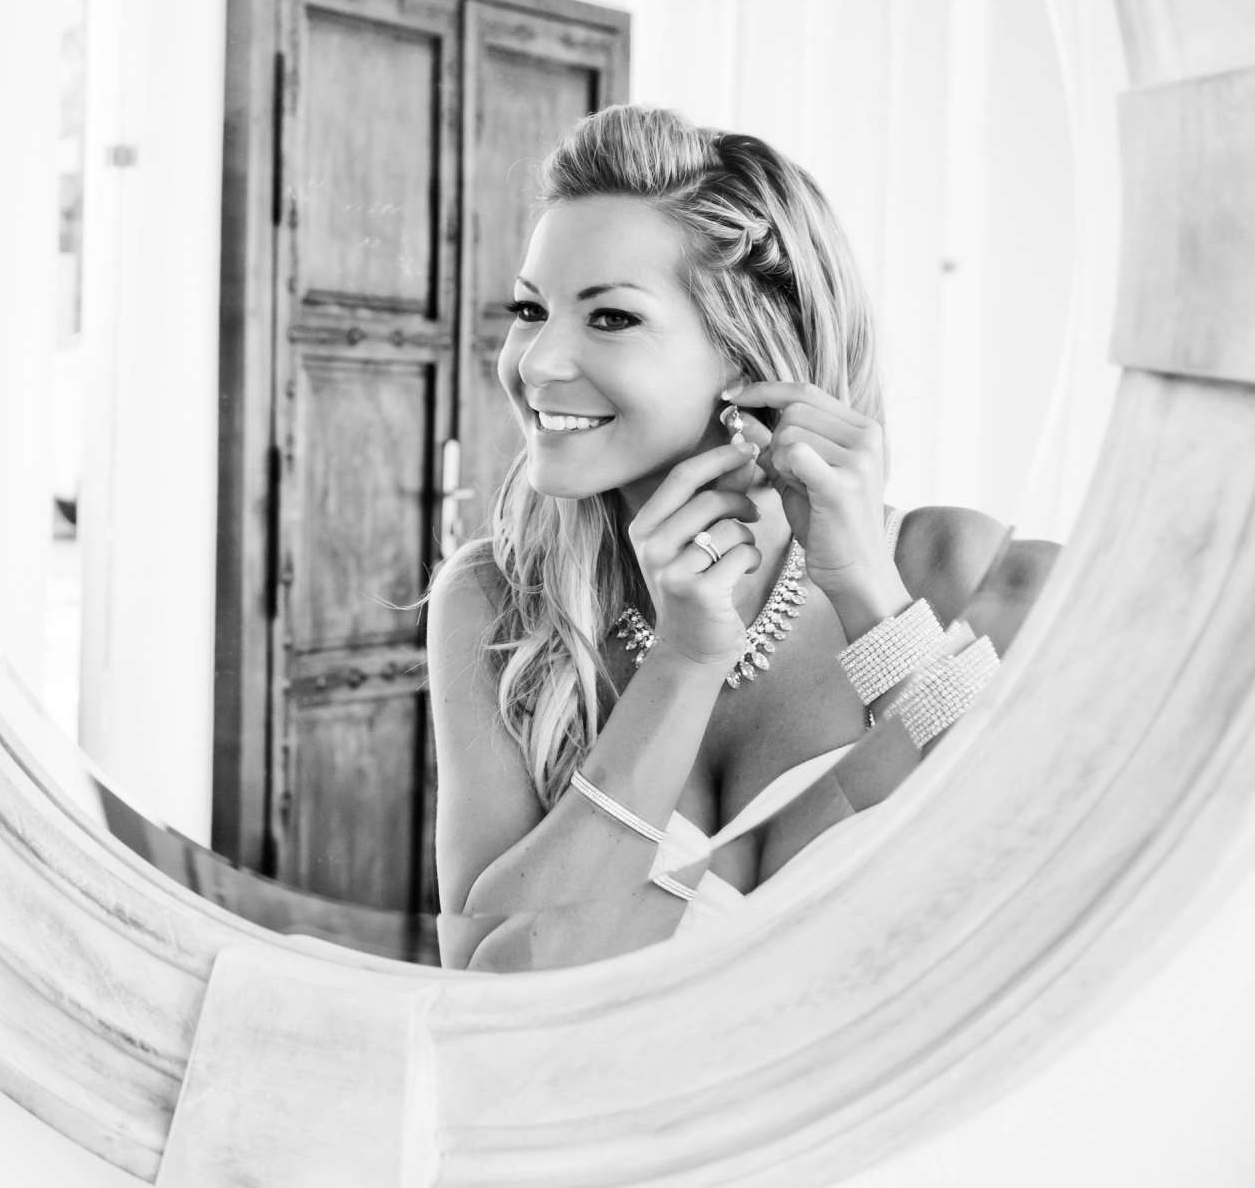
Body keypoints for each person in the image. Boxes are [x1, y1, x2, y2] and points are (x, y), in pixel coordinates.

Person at [426, 105, 1055, 972]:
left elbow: (1036, 903)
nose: (535, 362)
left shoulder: (965, 571)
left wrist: (870, 594)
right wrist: (682, 661)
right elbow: (494, 985)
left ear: (751, 354)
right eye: (531, 309)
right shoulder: (497, 604)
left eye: (609, 317)